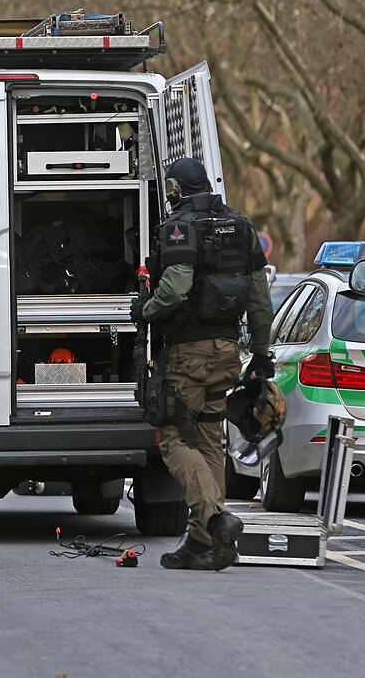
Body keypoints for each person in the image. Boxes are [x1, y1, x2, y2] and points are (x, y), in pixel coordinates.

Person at [131, 157, 274, 571]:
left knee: (173, 436)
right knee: (210, 436)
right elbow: (260, 302)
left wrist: (146, 310)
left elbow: (175, 290)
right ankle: (202, 543)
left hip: (186, 355)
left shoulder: (180, 227)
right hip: (228, 351)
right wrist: (262, 354)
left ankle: (215, 518)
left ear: (175, 188)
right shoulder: (242, 226)